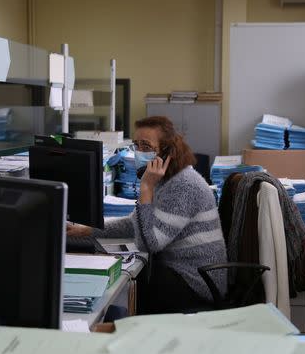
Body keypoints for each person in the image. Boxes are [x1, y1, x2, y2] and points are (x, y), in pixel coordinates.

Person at [67, 116, 227, 314]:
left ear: (167, 151)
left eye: (146, 146)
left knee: (124, 291)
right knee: (127, 285)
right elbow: (134, 224)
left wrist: (145, 189)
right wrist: (88, 230)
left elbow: (149, 243)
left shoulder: (184, 185)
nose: (138, 152)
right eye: (136, 145)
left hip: (197, 282)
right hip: (178, 271)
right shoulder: (167, 180)